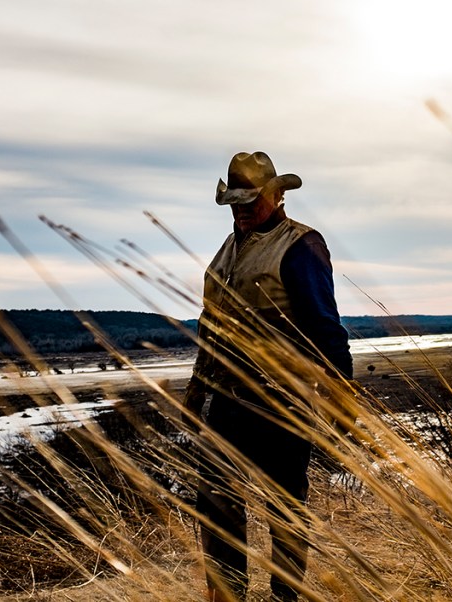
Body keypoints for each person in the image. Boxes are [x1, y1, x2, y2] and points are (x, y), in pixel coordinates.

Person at [184, 151, 353, 602]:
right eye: (234, 203)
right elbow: (210, 324)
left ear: (277, 196)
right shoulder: (228, 248)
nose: (240, 211)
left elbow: (326, 328)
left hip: (282, 402)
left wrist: (342, 398)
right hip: (227, 399)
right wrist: (196, 388)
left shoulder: (301, 246)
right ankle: (227, 595)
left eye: (249, 201)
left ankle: (285, 598)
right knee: (216, 502)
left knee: (284, 508)